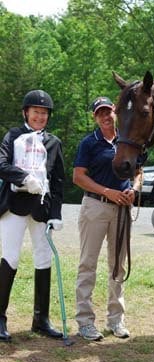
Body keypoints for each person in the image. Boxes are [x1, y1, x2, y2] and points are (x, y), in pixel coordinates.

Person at [73, 96, 142, 341]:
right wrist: (107, 192)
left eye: (108, 111)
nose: (104, 116)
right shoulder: (89, 143)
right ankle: (85, 321)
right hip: (96, 206)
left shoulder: (128, 140)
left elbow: (138, 172)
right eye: (99, 113)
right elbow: (78, 177)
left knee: (118, 265)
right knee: (87, 264)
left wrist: (133, 188)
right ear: (95, 117)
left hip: (122, 209)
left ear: (115, 113)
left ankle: (116, 320)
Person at [0, 90, 65, 342]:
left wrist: (56, 214)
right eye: (36, 112)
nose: (40, 116)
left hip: (41, 208)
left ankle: (41, 319)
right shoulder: (13, 136)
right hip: (14, 205)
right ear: (26, 112)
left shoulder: (53, 142)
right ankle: (1, 317)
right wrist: (23, 178)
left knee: (43, 258)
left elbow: (58, 181)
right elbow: (2, 164)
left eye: (44, 113)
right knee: (10, 257)